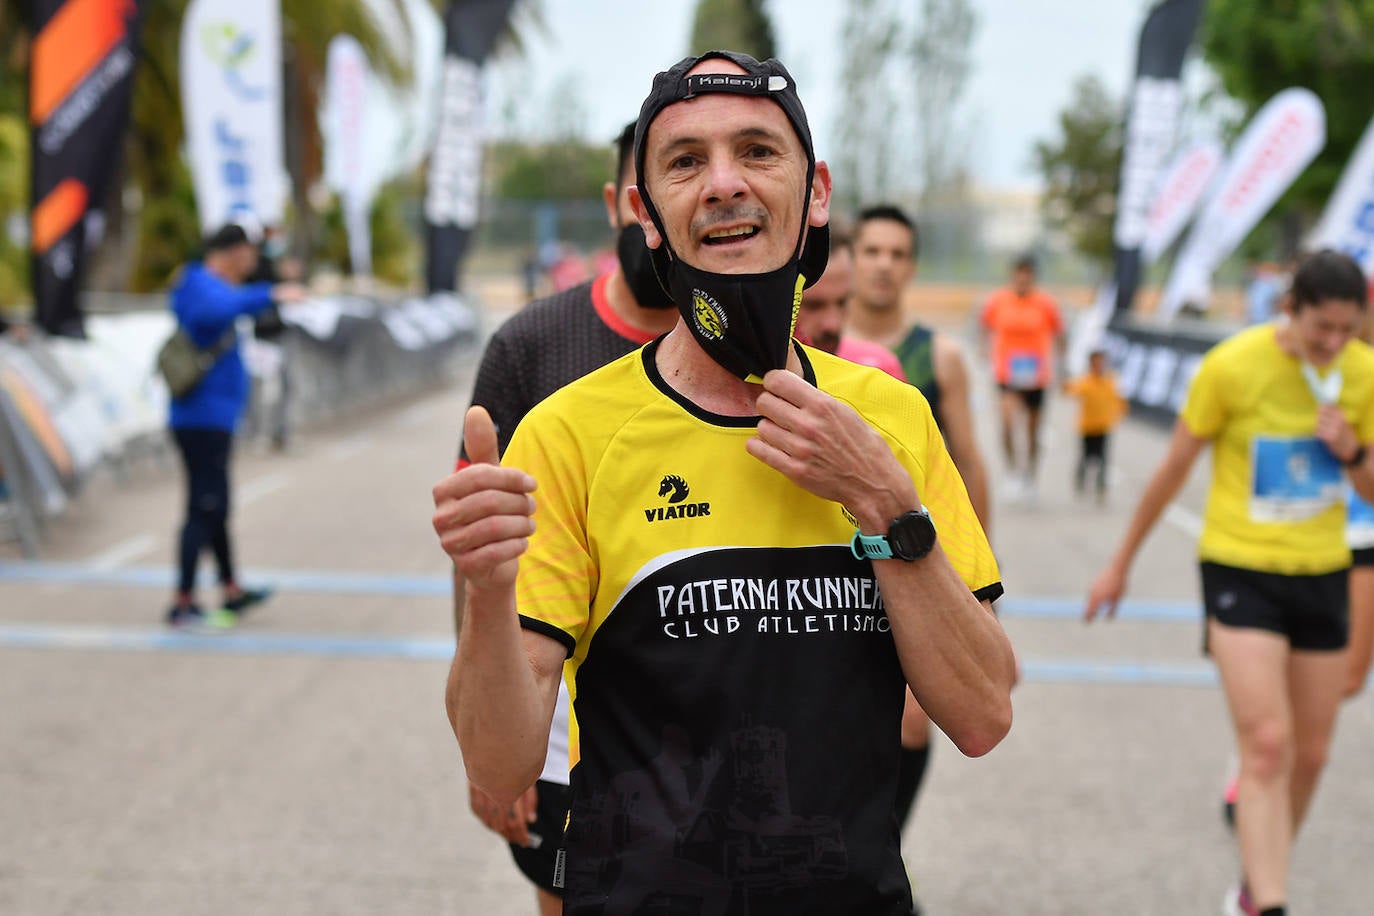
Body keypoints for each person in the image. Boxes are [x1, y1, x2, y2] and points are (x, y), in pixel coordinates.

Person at [435, 50, 1015, 915]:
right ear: (646, 214)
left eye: (756, 150)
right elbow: (498, 763)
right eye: (684, 162)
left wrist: (888, 506)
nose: (722, 184)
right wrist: (488, 590)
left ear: (815, 192)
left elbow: (981, 716)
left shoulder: (889, 418)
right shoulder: (568, 432)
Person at [1084, 250, 1374, 916]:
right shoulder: (1233, 366)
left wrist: (1353, 452)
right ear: (1290, 309)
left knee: (1312, 753)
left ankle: (1255, 877)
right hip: (1240, 568)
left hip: (1323, 570)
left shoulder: (1363, 375)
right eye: (1321, 328)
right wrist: (1120, 561)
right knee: (1268, 744)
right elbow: (1175, 466)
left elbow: (1371, 487)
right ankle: (1269, 904)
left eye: (1347, 330)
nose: (1333, 344)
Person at [453, 119, 680, 916]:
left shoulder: (743, 352)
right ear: (622, 202)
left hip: (705, 731)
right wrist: (489, 744)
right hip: (560, 735)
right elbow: (479, 556)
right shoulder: (531, 346)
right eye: (647, 192)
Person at [841, 203, 994, 853]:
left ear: (912, 267)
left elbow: (965, 465)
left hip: (913, 556)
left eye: (897, 254)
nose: (883, 265)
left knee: (910, 721)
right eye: (872, 251)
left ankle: (882, 849)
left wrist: (975, 590)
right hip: (832, 558)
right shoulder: (811, 338)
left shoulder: (939, 355)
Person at [165, 223, 305, 628]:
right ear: (229, 253)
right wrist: (271, 293)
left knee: (215, 506)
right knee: (202, 507)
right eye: (247, 254)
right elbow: (214, 310)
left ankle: (230, 588)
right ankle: (182, 601)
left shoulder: (215, 286)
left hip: (214, 418)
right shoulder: (198, 284)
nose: (252, 263)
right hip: (200, 419)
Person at [979, 254, 1065, 502]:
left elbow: (1059, 333)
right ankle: (1012, 473)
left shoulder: (1045, 303)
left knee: (1032, 431)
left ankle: (1030, 477)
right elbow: (985, 325)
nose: (1023, 278)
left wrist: (1061, 365)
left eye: (1028, 273)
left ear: (1033, 276)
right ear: (1012, 275)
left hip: (1036, 376)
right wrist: (984, 349)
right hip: (1008, 374)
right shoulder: (998, 301)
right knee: (1006, 423)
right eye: (1019, 273)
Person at [792, 225, 906, 380]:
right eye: (813, 306)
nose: (832, 324)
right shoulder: (751, 383)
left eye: (842, 302)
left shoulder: (877, 375)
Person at [1061, 348, 1127, 502]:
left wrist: (1120, 411)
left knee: (1103, 459)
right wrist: (1064, 384)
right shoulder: (1085, 381)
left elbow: (1119, 398)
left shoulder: (1110, 380)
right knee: (1085, 457)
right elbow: (1069, 390)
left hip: (1103, 427)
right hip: (1087, 427)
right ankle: (1080, 480)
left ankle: (1101, 487)